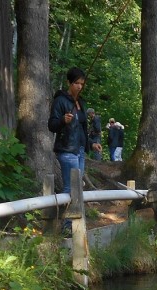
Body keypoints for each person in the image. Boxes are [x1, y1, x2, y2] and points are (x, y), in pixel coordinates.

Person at [47, 67, 89, 197]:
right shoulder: (60, 101)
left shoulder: (80, 103)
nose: (79, 87)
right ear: (68, 83)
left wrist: (91, 143)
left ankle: (72, 217)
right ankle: (67, 218)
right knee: (70, 188)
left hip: (80, 150)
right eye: (76, 83)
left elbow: (81, 127)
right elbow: (52, 125)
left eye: (82, 84)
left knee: (77, 188)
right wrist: (62, 120)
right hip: (67, 150)